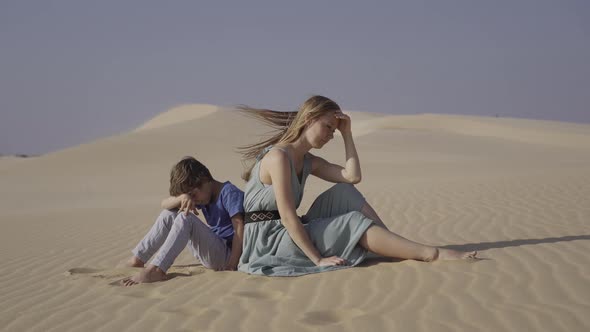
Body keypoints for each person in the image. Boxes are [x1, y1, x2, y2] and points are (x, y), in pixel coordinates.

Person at [236, 95, 477, 276]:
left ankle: (393, 245)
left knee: (344, 192)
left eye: (334, 130)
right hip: (268, 242)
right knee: (352, 222)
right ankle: (430, 254)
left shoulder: (309, 161)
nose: (331, 135)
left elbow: (352, 177)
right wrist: (318, 259)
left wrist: (347, 134)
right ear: (309, 119)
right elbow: (288, 218)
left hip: (286, 231)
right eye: (328, 127)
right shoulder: (279, 157)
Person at [121, 157, 244, 285]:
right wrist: (182, 198)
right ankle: (138, 259)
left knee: (186, 217)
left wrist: (232, 265)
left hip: (229, 255)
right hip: (216, 250)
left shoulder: (229, 192)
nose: (194, 201)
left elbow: (240, 228)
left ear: (205, 180)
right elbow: (164, 204)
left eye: (193, 195)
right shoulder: (205, 196)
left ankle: (157, 269)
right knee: (169, 214)